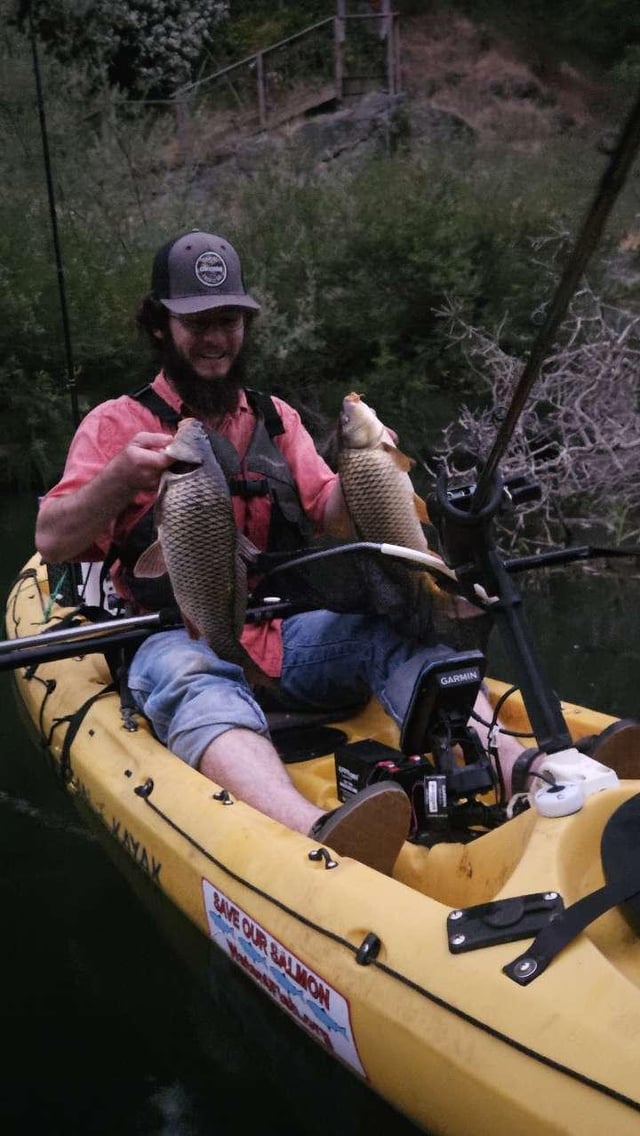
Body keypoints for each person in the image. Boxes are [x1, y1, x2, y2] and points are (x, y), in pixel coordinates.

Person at [35, 228, 530, 876]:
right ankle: (318, 831)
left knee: (397, 624)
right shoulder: (115, 424)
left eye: (230, 320)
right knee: (193, 675)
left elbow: (332, 512)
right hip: (177, 634)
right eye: (197, 322)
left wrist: (367, 465)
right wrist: (119, 478)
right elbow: (52, 539)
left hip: (285, 636)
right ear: (160, 326)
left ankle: (523, 767)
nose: (217, 338)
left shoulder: (276, 418)